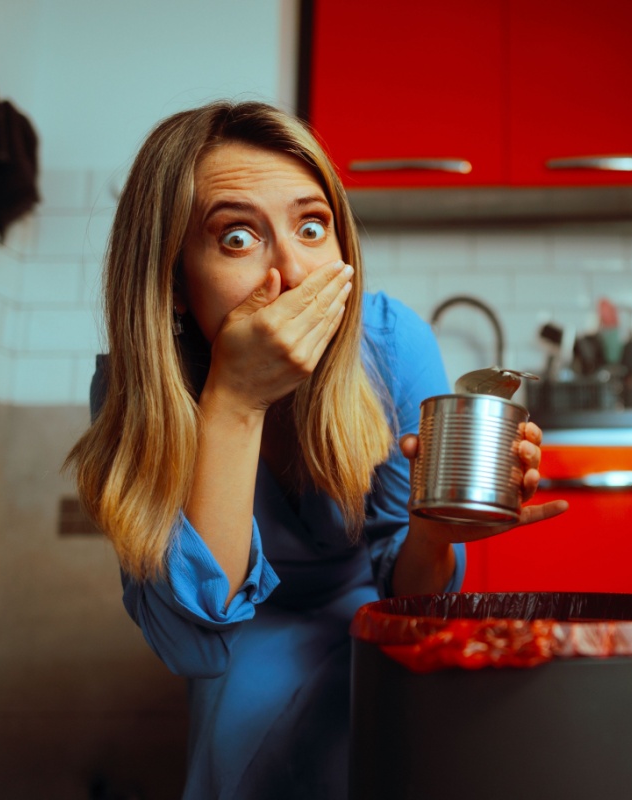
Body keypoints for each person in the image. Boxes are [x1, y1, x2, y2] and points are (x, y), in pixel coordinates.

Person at [65, 100, 567, 799]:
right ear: (175, 281)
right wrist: (236, 401)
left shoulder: (390, 345)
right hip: (236, 652)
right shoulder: (138, 389)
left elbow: (409, 592)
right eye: (237, 238)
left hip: (370, 621)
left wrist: (429, 534)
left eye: (311, 226)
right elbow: (192, 645)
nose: (296, 274)